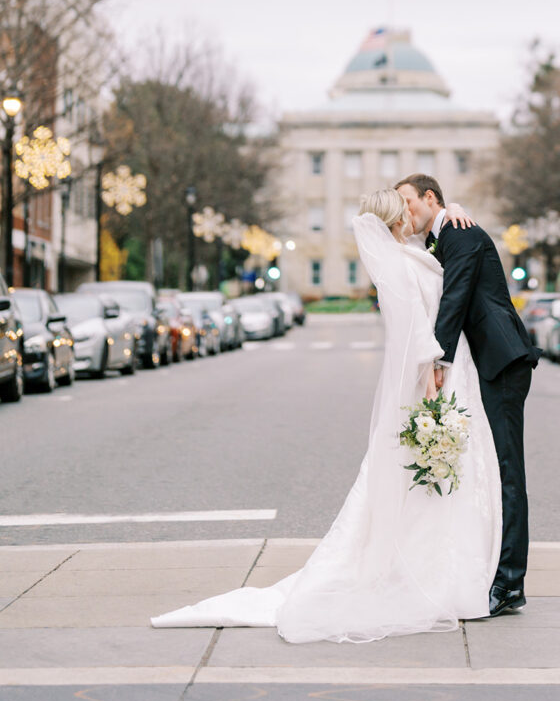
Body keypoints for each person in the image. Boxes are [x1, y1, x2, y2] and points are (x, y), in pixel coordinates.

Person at [151, 189, 501, 643]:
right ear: (397, 220)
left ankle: (443, 566)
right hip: (436, 375)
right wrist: (433, 373)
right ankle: (429, 572)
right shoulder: (398, 263)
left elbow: (443, 251)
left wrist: (452, 208)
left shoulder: (410, 252)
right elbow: (414, 328)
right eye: (407, 211)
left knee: (434, 482)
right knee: (426, 480)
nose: (413, 215)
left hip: (448, 371)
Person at [396, 174, 539, 618]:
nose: (406, 213)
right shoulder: (442, 237)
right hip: (482, 367)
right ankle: (493, 568)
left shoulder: (462, 232)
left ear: (430, 197)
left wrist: (436, 363)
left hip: (502, 361)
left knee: (508, 470)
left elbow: (455, 298)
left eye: (409, 203)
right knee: (492, 471)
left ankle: (510, 583)